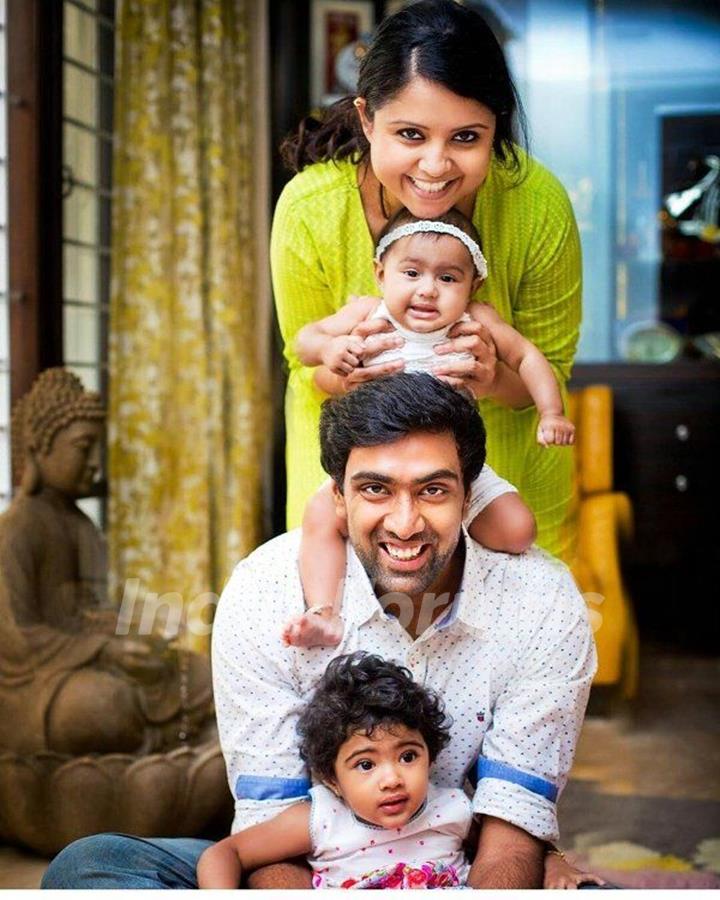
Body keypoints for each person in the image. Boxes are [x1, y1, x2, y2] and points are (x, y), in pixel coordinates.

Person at [41, 373, 597, 889]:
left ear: (469, 493)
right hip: (311, 866)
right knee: (90, 868)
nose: (404, 523)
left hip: (458, 867)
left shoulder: (543, 601)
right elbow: (270, 825)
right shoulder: (265, 590)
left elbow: (512, 826)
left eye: (432, 491)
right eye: (375, 490)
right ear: (337, 496)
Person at [272, 0, 582, 564]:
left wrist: (491, 380)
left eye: (466, 137)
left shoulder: (538, 206)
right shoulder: (309, 209)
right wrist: (341, 369)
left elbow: (550, 369)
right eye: (410, 134)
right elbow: (303, 361)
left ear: (497, 127)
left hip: (502, 481)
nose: (436, 166)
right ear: (368, 119)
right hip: (355, 480)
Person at [282, 207, 575, 648]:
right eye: (412, 273)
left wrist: (551, 412)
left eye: (448, 278)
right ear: (381, 273)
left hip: (448, 470)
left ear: (473, 284)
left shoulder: (477, 320)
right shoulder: (367, 312)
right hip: (377, 465)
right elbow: (302, 342)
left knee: (518, 532)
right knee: (321, 515)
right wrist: (331, 348)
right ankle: (324, 610)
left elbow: (529, 358)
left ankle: (468, 610)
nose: (427, 291)